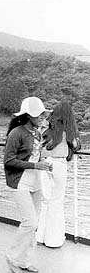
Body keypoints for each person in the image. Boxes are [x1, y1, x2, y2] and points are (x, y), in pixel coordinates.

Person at [3, 96, 52, 273]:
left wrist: (44, 162)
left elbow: (34, 156)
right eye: (38, 114)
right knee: (29, 222)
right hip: (21, 181)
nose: (41, 117)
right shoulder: (16, 133)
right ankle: (12, 256)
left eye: (43, 114)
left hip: (36, 180)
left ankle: (25, 260)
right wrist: (35, 165)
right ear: (27, 115)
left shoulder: (37, 133)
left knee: (35, 224)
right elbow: (9, 161)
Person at [36, 102, 81, 248]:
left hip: (44, 163)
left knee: (45, 201)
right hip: (58, 165)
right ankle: (53, 240)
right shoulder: (68, 130)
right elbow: (75, 144)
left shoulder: (47, 129)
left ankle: (40, 236)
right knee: (56, 201)